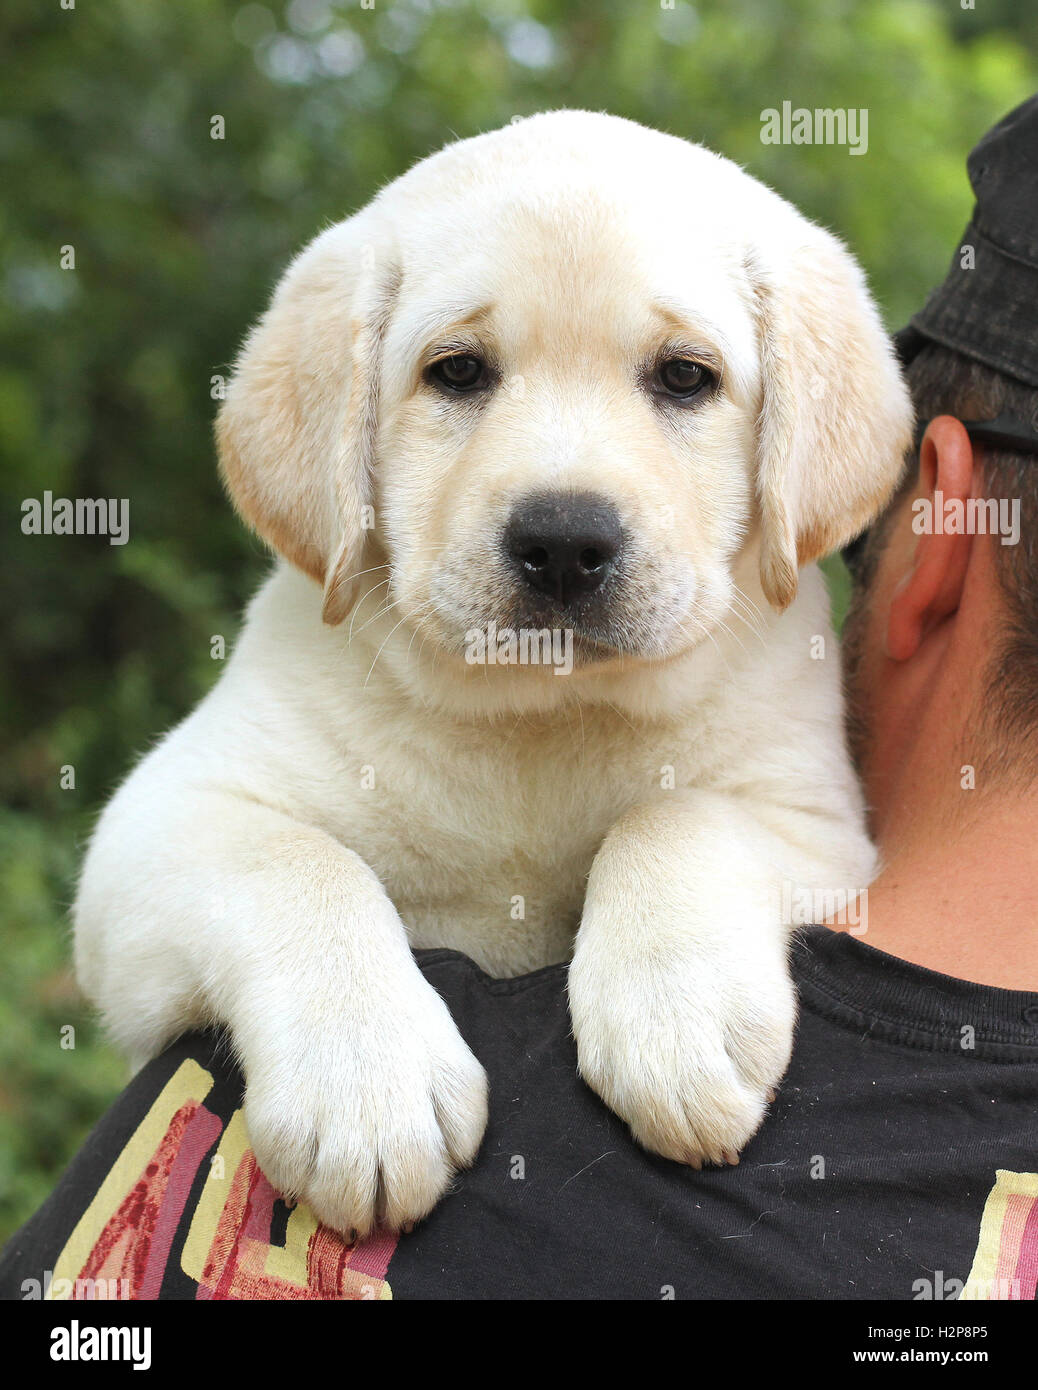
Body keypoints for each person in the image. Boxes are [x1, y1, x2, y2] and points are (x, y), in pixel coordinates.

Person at [2, 97, 1036, 1304]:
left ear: (794, 448)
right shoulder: (324, 664)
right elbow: (148, 876)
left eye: (683, 377)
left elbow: (802, 834)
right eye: (459, 372)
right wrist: (304, 950)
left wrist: (688, 851)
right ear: (345, 434)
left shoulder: (761, 658)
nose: (564, 507)